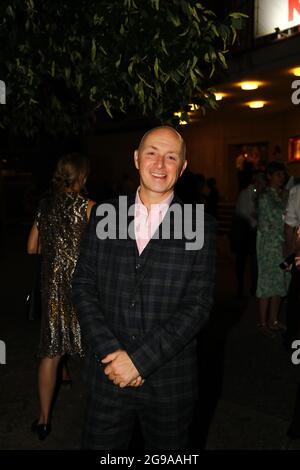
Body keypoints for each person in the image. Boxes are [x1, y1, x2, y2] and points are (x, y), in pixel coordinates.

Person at [72, 126, 216, 450]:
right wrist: (113, 354)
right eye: (151, 153)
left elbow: (198, 306)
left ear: (182, 166)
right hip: (107, 376)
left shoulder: (199, 224)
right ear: (137, 158)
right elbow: (83, 286)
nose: (160, 165)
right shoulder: (104, 215)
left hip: (169, 383)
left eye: (170, 157)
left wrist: (139, 362)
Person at [27, 153, 95, 440]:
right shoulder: (90, 207)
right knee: (93, 348)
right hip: (83, 287)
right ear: (82, 176)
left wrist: (56, 248)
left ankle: (43, 419)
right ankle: (102, 416)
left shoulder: (45, 205)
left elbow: (32, 248)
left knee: (50, 352)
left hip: (53, 288)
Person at [256, 161, 290, 337]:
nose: (282, 178)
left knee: (280, 282)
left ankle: (274, 320)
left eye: (283, 175)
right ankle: (262, 323)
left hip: (284, 246)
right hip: (269, 247)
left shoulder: (284, 195)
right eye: (278, 174)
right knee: (266, 284)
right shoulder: (264, 197)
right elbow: (264, 225)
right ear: (269, 176)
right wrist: (282, 239)